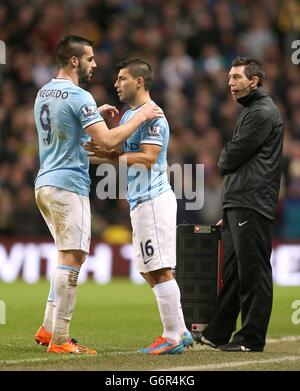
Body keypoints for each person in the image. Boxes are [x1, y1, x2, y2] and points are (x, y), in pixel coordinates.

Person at [33, 36, 163, 354]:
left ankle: (48, 329)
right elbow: (105, 143)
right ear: (74, 61)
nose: (95, 64)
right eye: (90, 59)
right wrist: (143, 117)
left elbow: (68, 135)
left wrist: (90, 117)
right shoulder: (80, 97)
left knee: (65, 254)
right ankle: (61, 340)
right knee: (74, 257)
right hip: (68, 186)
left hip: (44, 183)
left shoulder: (43, 92)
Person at [85, 59, 193, 355]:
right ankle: (181, 330)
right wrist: (103, 155)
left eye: (121, 79)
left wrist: (110, 156)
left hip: (154, 199)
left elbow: (147, 159)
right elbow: (126, 156)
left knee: (159, 269)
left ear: (139, 82)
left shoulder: (153, 116)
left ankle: (171, 336)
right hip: (140, 201)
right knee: (148, 270)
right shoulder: (129, 117)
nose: (116, 84)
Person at [200, 57, 284, 352]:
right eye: (229, 78)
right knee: (235, 272)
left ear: (254, 81)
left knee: (254, 272)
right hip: (240, 202)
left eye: (236, 77)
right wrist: (229, 208)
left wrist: (223, 159)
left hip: (252, 202)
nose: (230, 83)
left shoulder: (262, 112)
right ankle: (218, 333)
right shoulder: (252, 110)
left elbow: (229, 158)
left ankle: (251, 338)